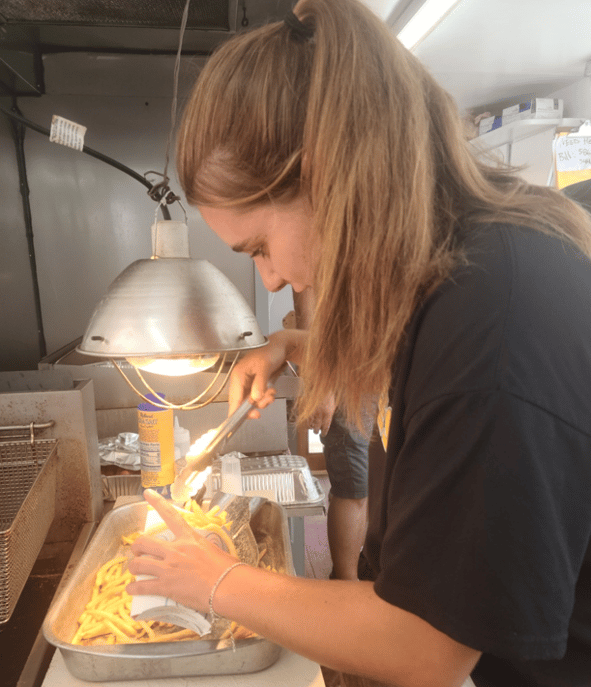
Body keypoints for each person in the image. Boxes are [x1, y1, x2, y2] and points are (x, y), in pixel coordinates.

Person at [126, 1, 591, 685]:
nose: (273, 275)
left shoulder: (496, 320)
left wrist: (216, 580)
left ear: (324, 175)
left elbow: (428, 648)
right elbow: (423, 377)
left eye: (258, 247)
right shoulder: (456, 261)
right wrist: (292, 343)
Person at [292, 287, 371, 581]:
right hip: (342, 366)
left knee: (377, 480)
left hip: (380, 360)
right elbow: (305, 292)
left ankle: (365, 566)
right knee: (353, 484)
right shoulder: (321, 243)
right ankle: (345, 585)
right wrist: (320, 377)